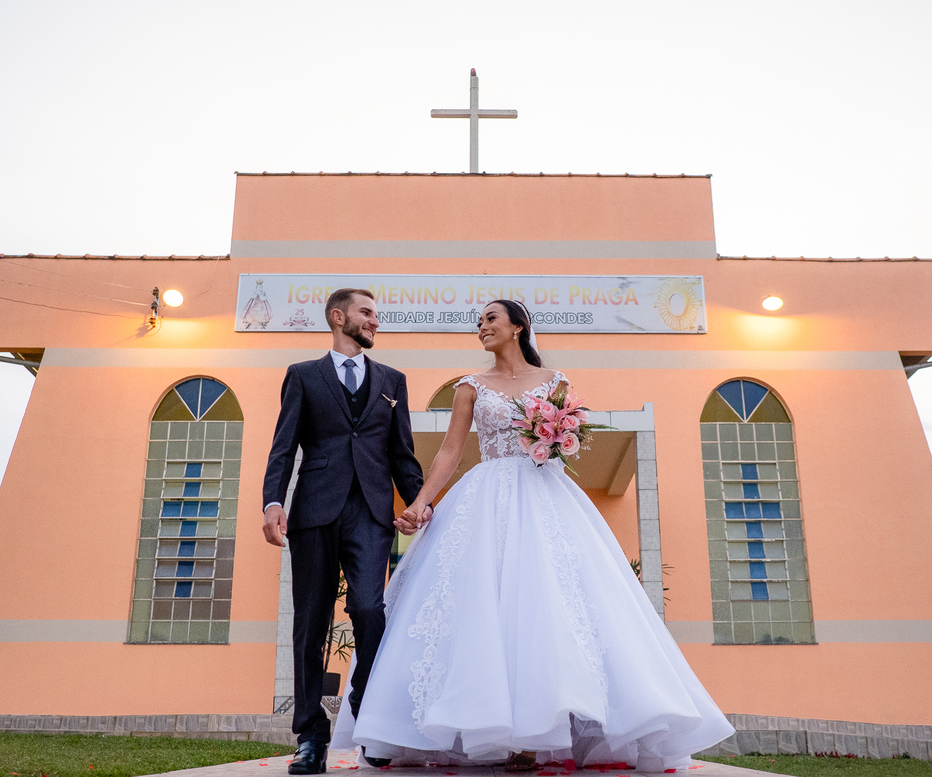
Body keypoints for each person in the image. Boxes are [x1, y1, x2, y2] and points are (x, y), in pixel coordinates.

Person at [331, 299, 735, 771]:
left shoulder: (555, 382)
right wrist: (423, 502)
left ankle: (537, 735)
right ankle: (477, 726)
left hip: (545, 495)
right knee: (482, 606)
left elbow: (570, 442)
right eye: (479, 322)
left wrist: (558, 439)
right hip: (486, 495)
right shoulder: (469, 388)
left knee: (546, 607)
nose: (482, 327)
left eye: (491, 319)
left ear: (518, 327)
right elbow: (450, 453)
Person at [262, 288, 427, 775]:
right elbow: (283, 445)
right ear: (338, 317)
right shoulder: (303, 376)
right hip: (314, 509)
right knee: (310, 622)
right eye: (367, 313)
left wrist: (418, 501)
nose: (375, 321)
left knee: (369, 609)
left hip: (372, 511)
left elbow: (402, 453)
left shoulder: (392, 380)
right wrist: (273, 501)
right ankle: (311, 736)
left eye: (376, 314)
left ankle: (368, 719)